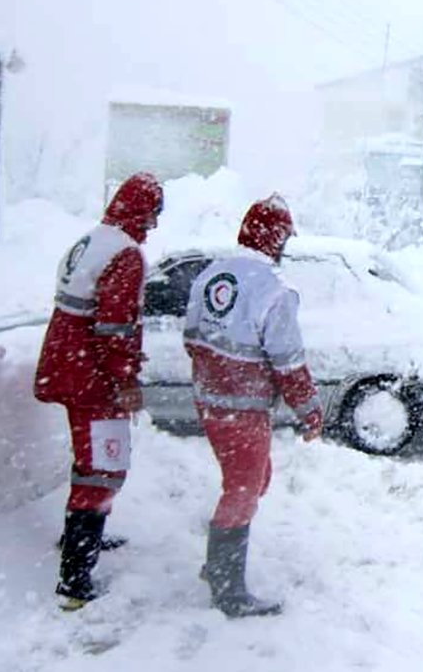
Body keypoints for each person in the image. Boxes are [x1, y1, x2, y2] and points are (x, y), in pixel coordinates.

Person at [182, 193, 323, 618]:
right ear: (275, 239)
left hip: (210, 402)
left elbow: (191, 336)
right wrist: (309, 410)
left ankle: (218, 564)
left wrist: (215, 375)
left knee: (255, 479)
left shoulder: (211, 273)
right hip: (242, 408)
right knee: (243, 488)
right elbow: (289, 362)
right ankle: (227, 588)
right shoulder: (274, 291)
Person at [33, 172, 163, 610]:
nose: (154, 225)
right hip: (93, 375)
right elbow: (115, 327)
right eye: (153, 214)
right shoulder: (126, 254)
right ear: (139, 210)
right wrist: (125, 380)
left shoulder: (91, 239)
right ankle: (75, 577)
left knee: (89, 459)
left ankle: (81, 535)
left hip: (66, 364)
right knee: (103, 466)